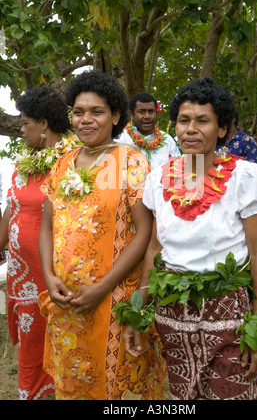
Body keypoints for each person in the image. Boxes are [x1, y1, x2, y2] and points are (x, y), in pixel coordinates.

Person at [123, 77, 257, 400]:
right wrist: (139, 312)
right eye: (183, 120)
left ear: (221, 129)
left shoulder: (243, 179)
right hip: (173, 315)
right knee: (184, 396)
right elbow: (154, 248)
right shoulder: (157, 180)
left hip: (230, 317)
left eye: (203, 121)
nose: (191, 129)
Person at [38, 70, 166, 400]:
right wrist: (50, 278)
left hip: (113, 301)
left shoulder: (131, 162)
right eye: (79, 112)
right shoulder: (62, 163)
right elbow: (47, 227)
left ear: (115, 116)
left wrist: (102, 287)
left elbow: (145, 232)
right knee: (74, 386)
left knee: (116, 390)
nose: (86, 120)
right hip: (66, 304)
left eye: (96, 112)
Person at [0, 86, 75, 400]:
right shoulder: (25, 162)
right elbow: (12, 209)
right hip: (21, 274)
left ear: (44, 124)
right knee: (30, 349)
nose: (21, 128)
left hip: (52, 274)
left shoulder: (73, 162)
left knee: (59, 347)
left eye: (26, 121)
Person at [116, 92, 180, 170]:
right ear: (131, 114)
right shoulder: (120, 139)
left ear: (156, 113)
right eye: (141, 111)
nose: (147, 116)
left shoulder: (168, 141)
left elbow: (178, 172)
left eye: (151, 111)